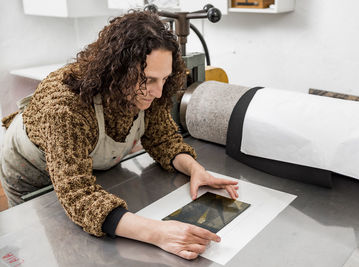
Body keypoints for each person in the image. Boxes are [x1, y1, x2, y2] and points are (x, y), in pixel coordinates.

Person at [0, 10, 239, 260]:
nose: (158, 92)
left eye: (165, 78)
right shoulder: (65, 106)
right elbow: (79, 195)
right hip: (31, 177)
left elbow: (163, 139)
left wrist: (194, 169)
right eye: (148, 80)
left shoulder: (152, 88)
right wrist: (159, 233)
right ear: (117, 70)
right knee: (51, 250)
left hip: (81, 169)